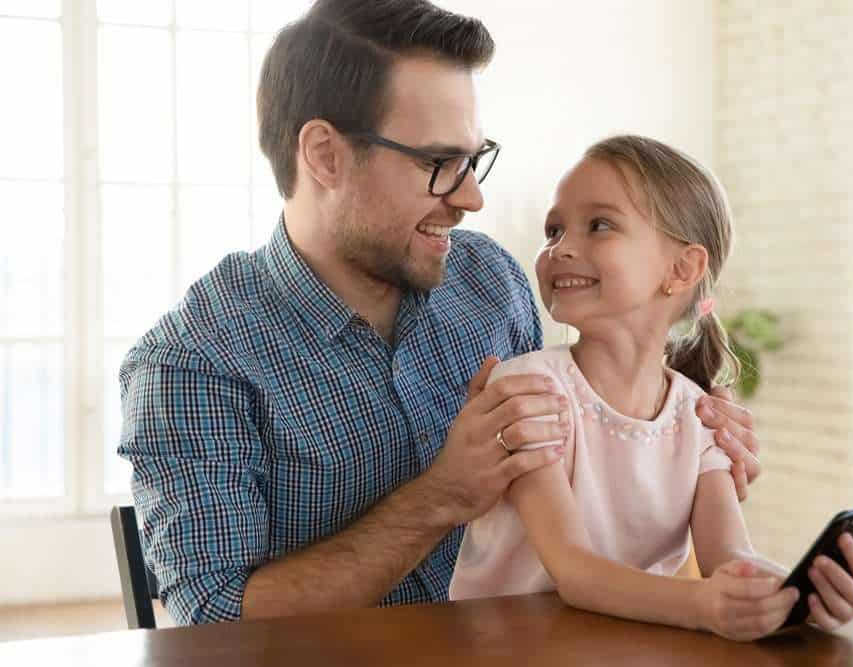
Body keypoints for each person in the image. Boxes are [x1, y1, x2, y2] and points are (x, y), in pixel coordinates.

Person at [117, 0, 763, 625]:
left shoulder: (491, 282)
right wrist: (442, 495)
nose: (472, 197)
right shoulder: (192, 361)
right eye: (438, 162)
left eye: (472, 159)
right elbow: (217, 621)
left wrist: (682, 445)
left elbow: (576, 473)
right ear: (325, 155)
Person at [449, 135, 853, 640]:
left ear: (682, 269)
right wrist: (704, 604)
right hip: (505, 646)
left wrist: (804, 595)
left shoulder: (699, 415)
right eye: (554, 230)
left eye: (599, 225)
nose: (561, 247)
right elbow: (574, 570)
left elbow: (732, 558)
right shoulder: (529, 391)